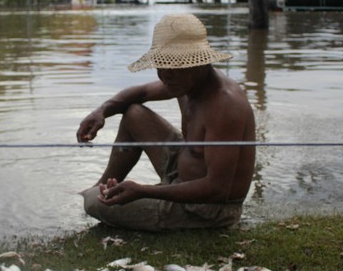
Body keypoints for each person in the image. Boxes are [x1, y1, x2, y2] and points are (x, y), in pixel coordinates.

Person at [77, 13, 255, 231]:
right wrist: (102, 111)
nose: (165, 75)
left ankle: (100, 196)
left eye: (174, 66)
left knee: (93, 202)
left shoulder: (225, 105)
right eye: (161, 65)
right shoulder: (184, 82)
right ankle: (103, 187)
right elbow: (140, 93)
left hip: (208, 209)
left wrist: (144, 191)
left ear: (199, 63)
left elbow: (218, 189)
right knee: (134, 114)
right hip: (182, 170)